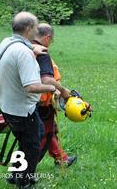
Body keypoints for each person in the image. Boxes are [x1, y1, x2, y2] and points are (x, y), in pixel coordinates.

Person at [0, 12, 60, 188]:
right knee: (32, 147)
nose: (37, 29)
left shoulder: (7, 42)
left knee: (30, 139)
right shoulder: (23, 53)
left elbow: (19, 48)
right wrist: (53, 88)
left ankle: (14, 174)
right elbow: (31, 87)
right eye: (36, 26)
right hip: (22, 109)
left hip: (7, 105)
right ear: (29, 28)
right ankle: (24, 181)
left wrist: (33, 48)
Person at [33, 23, 77, 167]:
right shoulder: (42, 53)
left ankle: (61, 158)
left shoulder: (27, 48)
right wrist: (62, 90)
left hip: (28, 101)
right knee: (42, 137)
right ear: (48, 37)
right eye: (51, 40)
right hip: (41, 102)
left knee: (49, 131)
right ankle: (19, 171)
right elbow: (46, 79)